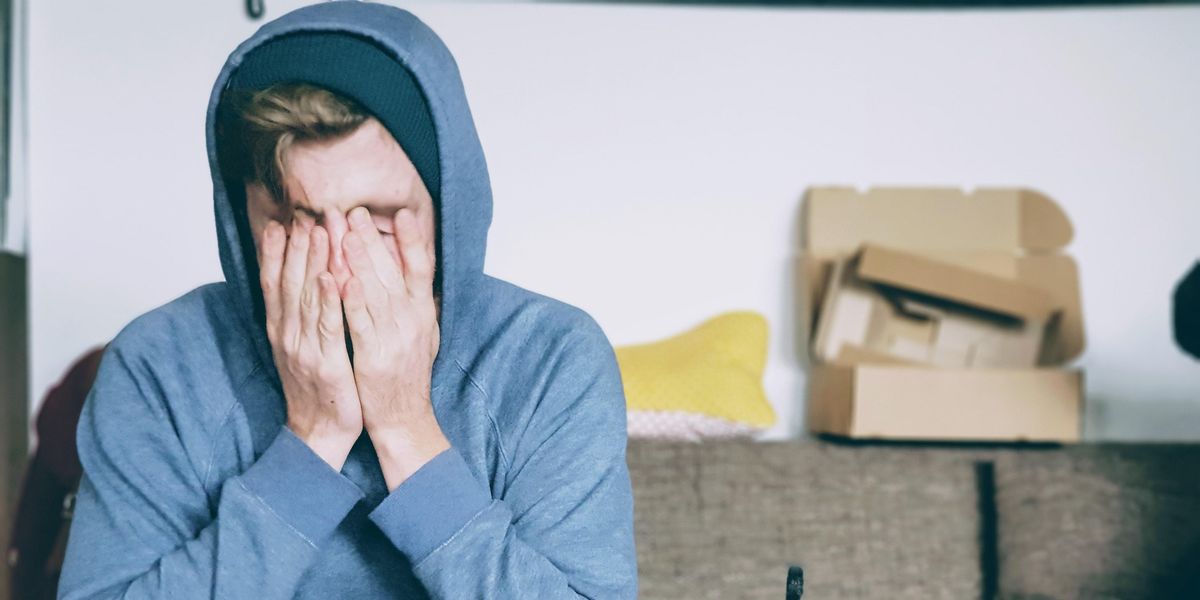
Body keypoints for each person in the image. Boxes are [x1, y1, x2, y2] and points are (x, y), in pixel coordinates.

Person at [56, 3, 638, 598]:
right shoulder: (159, 363)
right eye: (297, 222)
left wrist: (406, 428)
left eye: (379, 222)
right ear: (242, 218)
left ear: (447, 208)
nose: (338, 266)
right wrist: (312, 441)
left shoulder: (552, 359)